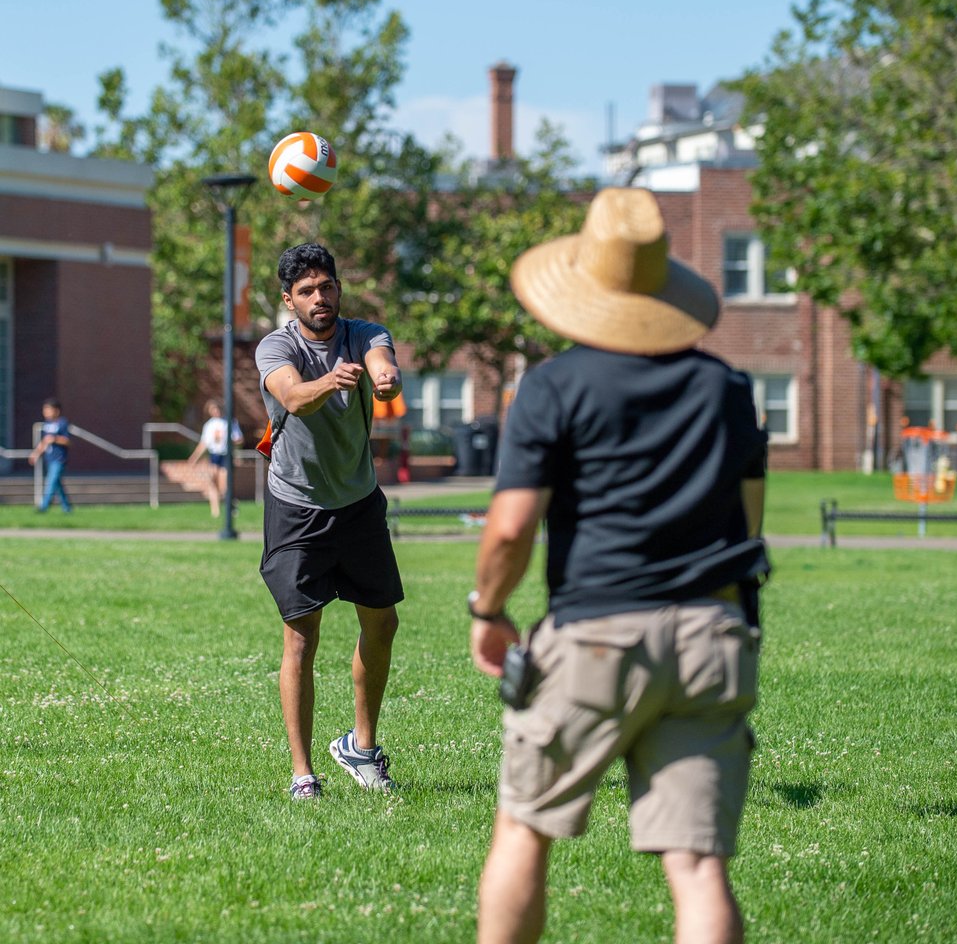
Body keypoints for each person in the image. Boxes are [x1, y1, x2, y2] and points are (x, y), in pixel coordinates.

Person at [469, 188, 769, 944]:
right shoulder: (729, 390)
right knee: (698, 867)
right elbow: (751, 521)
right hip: (711, 635)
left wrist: (487, 612)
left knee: (524, 828)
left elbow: (509, 528)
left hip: (599, 634)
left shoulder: (554, 386)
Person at [255, 242, 405, 801]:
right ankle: (303, 775)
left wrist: (383, 377)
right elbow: (293, 396)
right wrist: (329, 382)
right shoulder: (276, 346)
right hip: (297, 505)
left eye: (328, 286)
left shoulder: (363, 333)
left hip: (359, 500)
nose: (321, 298)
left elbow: (381, 361)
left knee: (382, 623)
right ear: (289, 301)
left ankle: (361, 749)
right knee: (302, 635)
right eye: (308, 291)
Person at [187, 399, 244, 517]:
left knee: (224, 485)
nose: (215, 412)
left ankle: (231, 505)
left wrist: (228, 439)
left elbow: (239, 439)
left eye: (217, 409)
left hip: (226, 455)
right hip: (214, 455)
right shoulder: (209, 425)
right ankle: (215, 511)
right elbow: (204, 443)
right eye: (212, 410)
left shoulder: (230, 422)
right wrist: (194, 458)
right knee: (212, 482)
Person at [28, 397, 73, 514]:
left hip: (59, 459)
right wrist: (36, 453)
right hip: (49, 458)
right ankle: (67, 508)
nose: (46, 412)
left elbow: (68, 441)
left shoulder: (62, 423)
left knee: (51, 481)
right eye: (45, 409)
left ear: (57, 411)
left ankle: (43, 506)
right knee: (57, 484)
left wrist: (55, 439)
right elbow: (44, 441)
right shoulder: (47, 424)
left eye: (49, 409)